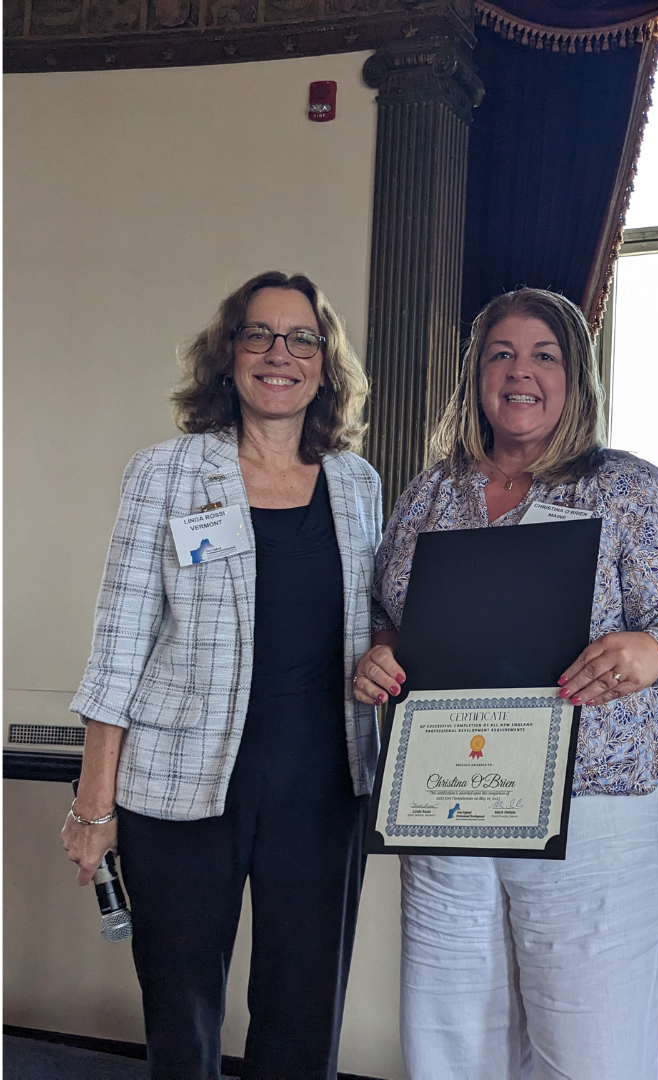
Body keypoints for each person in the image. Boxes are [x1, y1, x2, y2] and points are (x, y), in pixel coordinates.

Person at [352, 287, 658, 1077]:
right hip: (449, 802)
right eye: (501, 353)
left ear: (575, 377)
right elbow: (386, 614)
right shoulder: (430, 493)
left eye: (544, 355)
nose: (521, 373)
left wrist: (653, 649)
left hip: (593, 804)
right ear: (475, 375)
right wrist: (380, 653)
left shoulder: (627, 488)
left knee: (594, 1045)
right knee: (452, 1039)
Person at [61, 271, 382, 1080]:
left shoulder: (358, 483)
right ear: (228, 356)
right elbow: (119, 643)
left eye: (302, 338)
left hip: (323, 786)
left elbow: (370, 623)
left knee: (304, 1018)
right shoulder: (164, 474)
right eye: (259, 336)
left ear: (325, 362)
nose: (281, 354)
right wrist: (93, 806)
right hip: (182, 789)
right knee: (183, 1015)